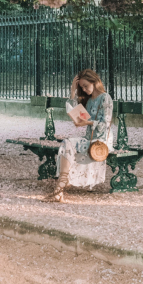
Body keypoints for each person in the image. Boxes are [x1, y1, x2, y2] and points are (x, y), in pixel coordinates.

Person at [51, 69, 113, 202]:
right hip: (89, 138)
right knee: (66, 143)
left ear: (94, 82)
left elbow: (106, 124)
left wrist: (88, 122)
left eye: (86, 86)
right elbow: (75, 110)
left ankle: (59, 189)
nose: (84, 89)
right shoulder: (90, 100)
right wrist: (73, 91)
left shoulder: (105, 97)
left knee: (67, 144)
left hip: (101, 140)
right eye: (82, 87)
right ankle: (60, 187)